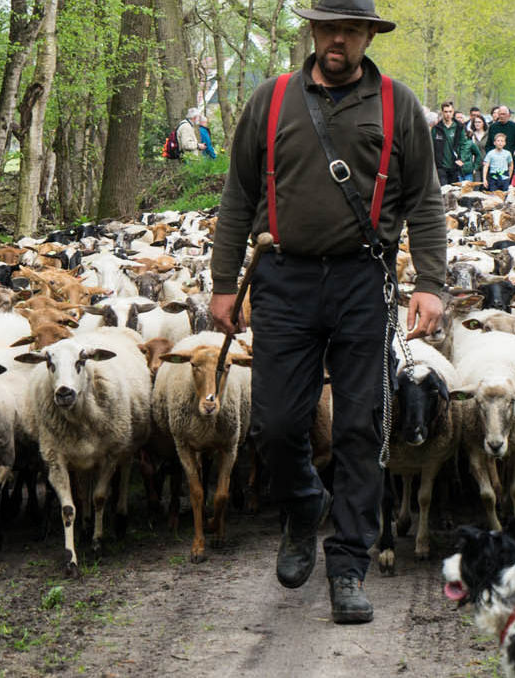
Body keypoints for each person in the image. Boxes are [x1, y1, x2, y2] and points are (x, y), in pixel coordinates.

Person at [210, 0, 446, 625]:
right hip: (282, 280)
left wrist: (431, 283)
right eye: (326, 27)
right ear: (312, 31)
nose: (336, 39)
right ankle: (300, 504)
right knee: (278, 423)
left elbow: (424, 200)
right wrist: (222, 282)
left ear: (369, 34)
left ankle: (348, 565)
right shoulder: (272, 98)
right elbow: (237, 194)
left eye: (349, 28)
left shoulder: (398, 104)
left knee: (360, 429)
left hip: (362, 280)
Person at [484, 105, 515, 180]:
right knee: (494, 183)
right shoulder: (493, 127)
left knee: (506, 183)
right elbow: (488, 144)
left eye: (503, 114)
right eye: (500, 114)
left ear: (508, 115)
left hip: (508, 160)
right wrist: (488, 157)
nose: (501, 116)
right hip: (494, 163)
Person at [430, 101, 465, 185]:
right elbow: (431, 147)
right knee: (444, 190)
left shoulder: (459, 127)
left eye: (450, 111)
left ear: (453, 112)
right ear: (442, 112)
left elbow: (463, 144)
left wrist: (461, 158)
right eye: (445, 112)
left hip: (454, 165)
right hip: (441, 166)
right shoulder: (436, 128)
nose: (448, 114)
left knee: (454, 191)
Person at [460, 116, 488, 182]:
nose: (477, 124)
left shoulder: (488, 135)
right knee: (476, 185)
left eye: (479, 122)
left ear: (483, 123)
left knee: (485, 185)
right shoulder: (471, 135)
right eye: (475, 122)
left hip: (486, 163)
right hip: (474, 164)